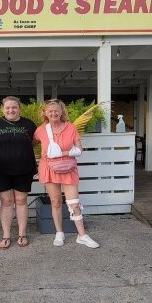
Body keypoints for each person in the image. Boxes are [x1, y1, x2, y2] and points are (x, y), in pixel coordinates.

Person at [33, 99, 99, 248]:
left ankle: (82, 235)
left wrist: (60, 153)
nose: (54, 113)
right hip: (49, 169)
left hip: (69, 169)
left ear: (62, 111)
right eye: (50, 111)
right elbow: (31, 144)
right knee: (56, 202)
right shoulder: (41, 130)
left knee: (74, 204)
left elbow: (79, 150)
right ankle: (59, 233)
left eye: (57, 110)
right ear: (45, 113)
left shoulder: (71, 128)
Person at [0, 96, 37, 249]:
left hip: (24, 168)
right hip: (1, 169)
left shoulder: (29, 124)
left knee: (21, 200)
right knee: (6, 202)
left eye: (14, 107)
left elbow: (34, 142)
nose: (11, 110)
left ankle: (22, 234)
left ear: (19, 108)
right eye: (7, 107)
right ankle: (6, 235)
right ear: (2, 109)